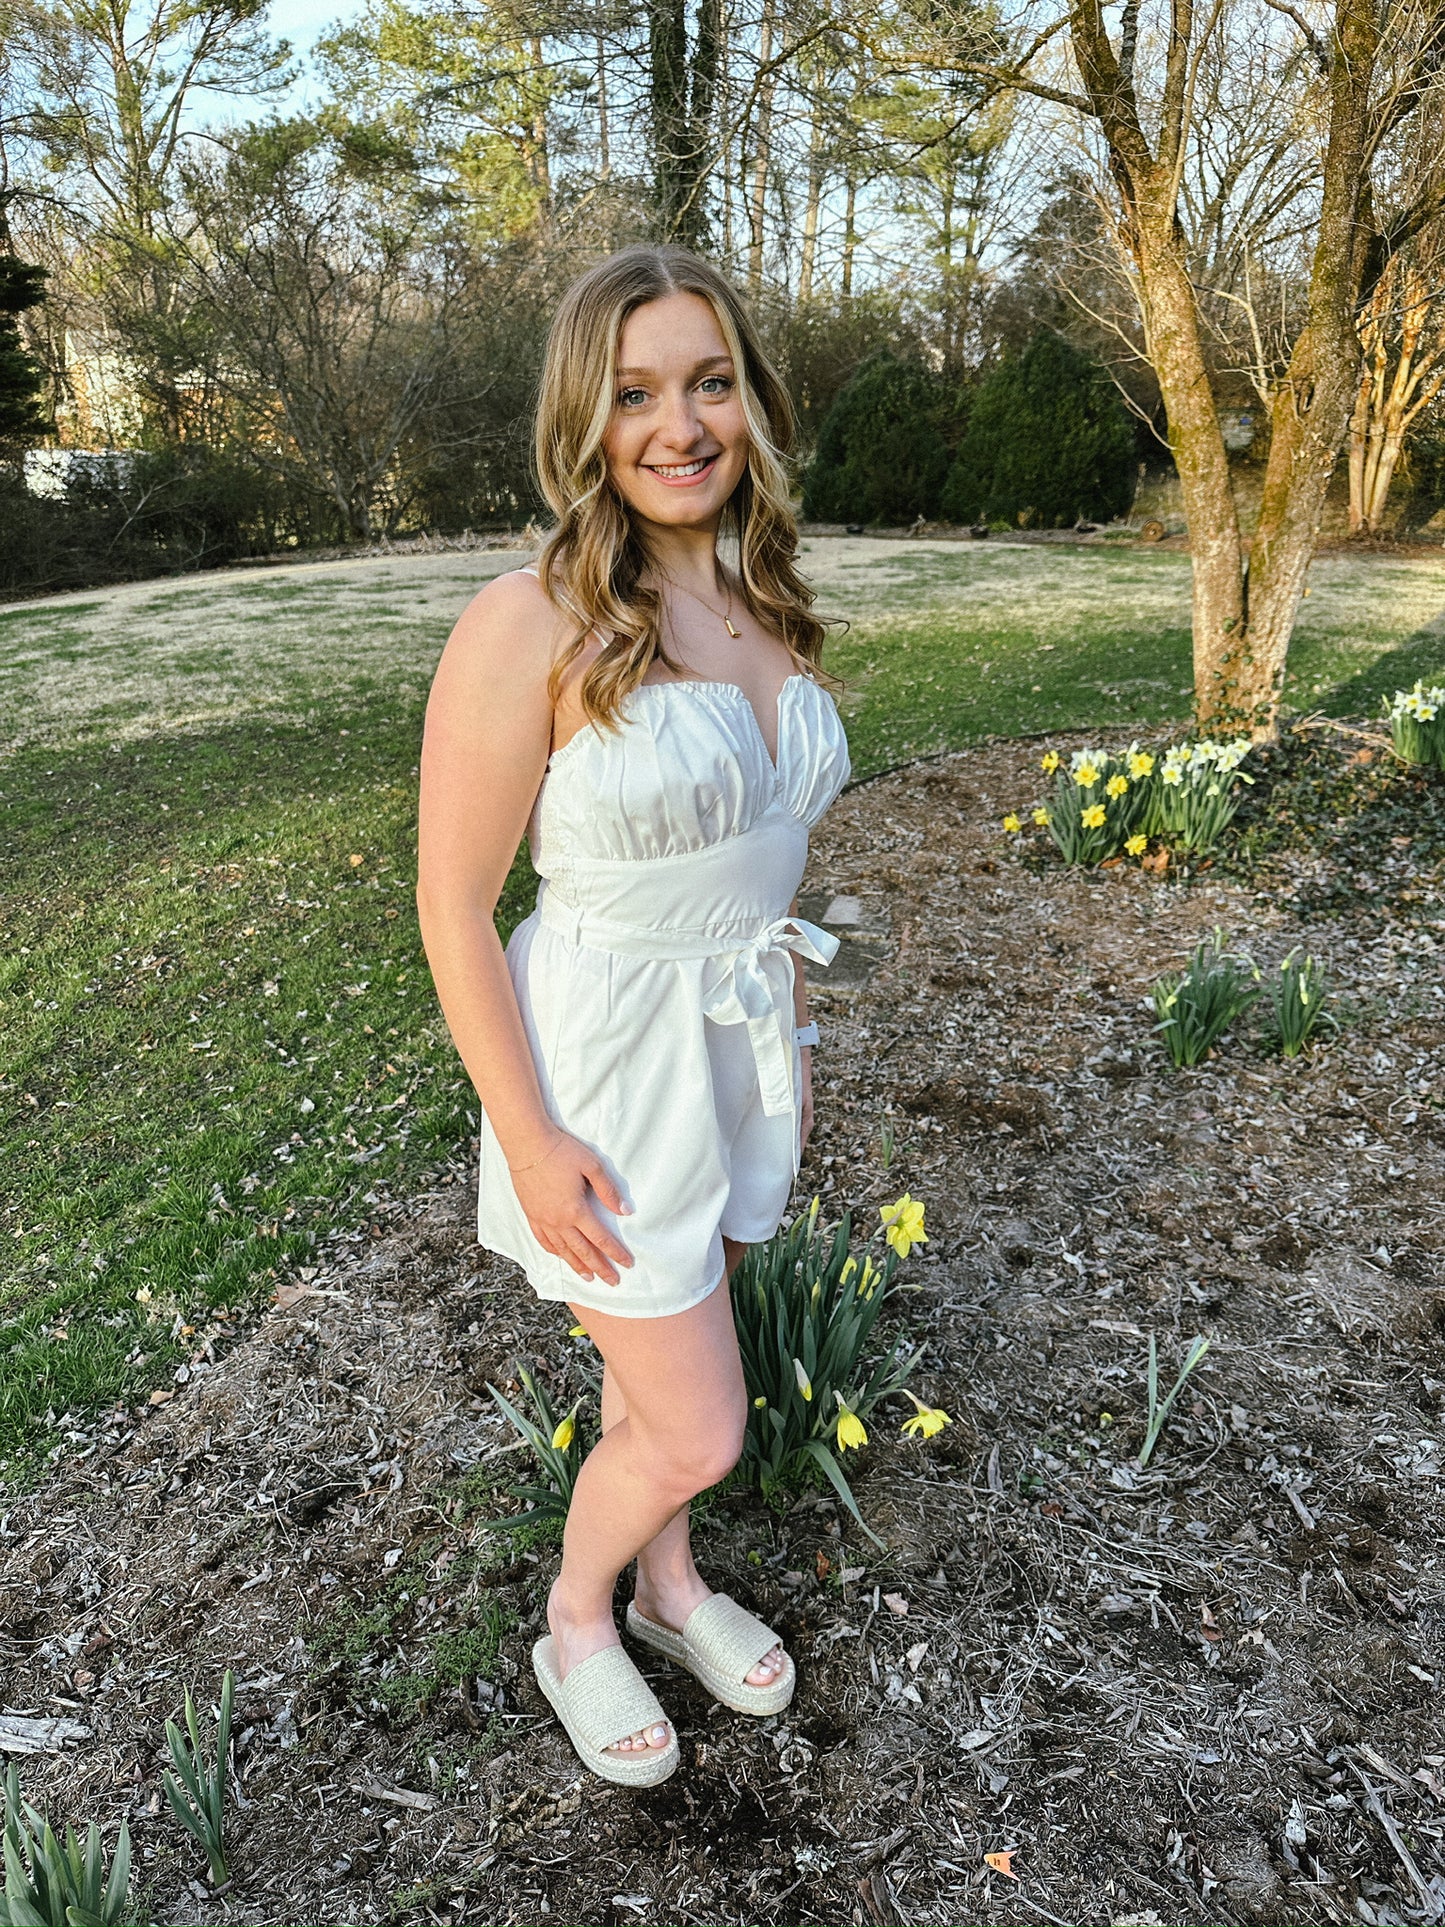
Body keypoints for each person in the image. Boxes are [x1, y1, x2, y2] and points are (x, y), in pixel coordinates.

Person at [416, 244, 851, 1787]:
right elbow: (453, 904)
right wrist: (528, 1140)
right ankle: (578, 1617)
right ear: (582, 423)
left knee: (653, 1370)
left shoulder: (762, 597)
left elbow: (768, 842)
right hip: (601, 1070)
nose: (681, 425)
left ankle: (671, 1591)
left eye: (710, 382)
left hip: (739, 1047)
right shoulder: (526, 621)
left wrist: (786, 1030)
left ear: (751, 401)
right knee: (696, 1426)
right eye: (636, 392)